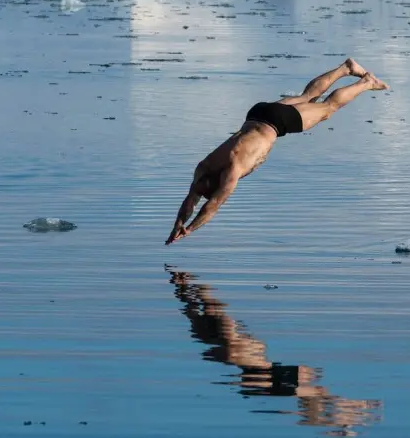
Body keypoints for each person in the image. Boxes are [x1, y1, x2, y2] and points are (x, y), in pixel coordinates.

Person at [165, 59, 388, 245]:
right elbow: (190, 201)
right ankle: (346, 68)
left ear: (216, 184)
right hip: (258, 113)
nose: (197, 191)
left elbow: (211, 206)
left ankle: (366, 83)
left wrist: (191, 229)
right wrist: (178, 224)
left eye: (202, 191)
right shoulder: (203, 169)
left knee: (328, 108)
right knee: (305, 97)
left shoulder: (232, 173)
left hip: (275, 124)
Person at [168, 268, 381, 434]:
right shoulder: (218, 343)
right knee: (316, 398)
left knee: (315, 398)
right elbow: (196, 312)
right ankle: (348, 421)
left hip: (255, 369)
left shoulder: (227, 342)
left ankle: (349, 421)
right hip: (254, 370)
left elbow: (200, 310)